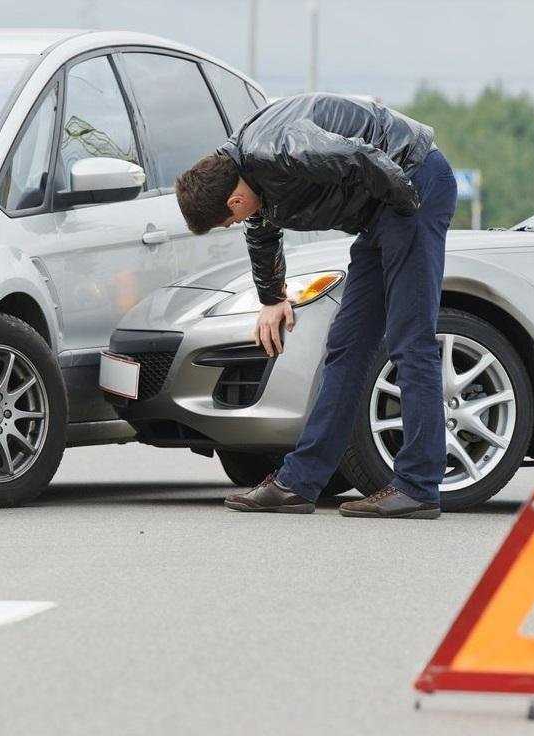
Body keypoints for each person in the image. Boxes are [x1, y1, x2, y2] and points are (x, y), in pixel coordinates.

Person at [175, 93, 457, 519]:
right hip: (383, 210)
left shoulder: (283, 149)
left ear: (233, 201)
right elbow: (263, 231)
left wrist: (408, 216)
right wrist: (271, 298)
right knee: (346, 345)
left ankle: (418, 486)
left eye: (228, 221)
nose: (236, 223)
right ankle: (299, 483)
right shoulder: (246, 171)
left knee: (409, 339)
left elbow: (362, 158)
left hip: (411, 186)